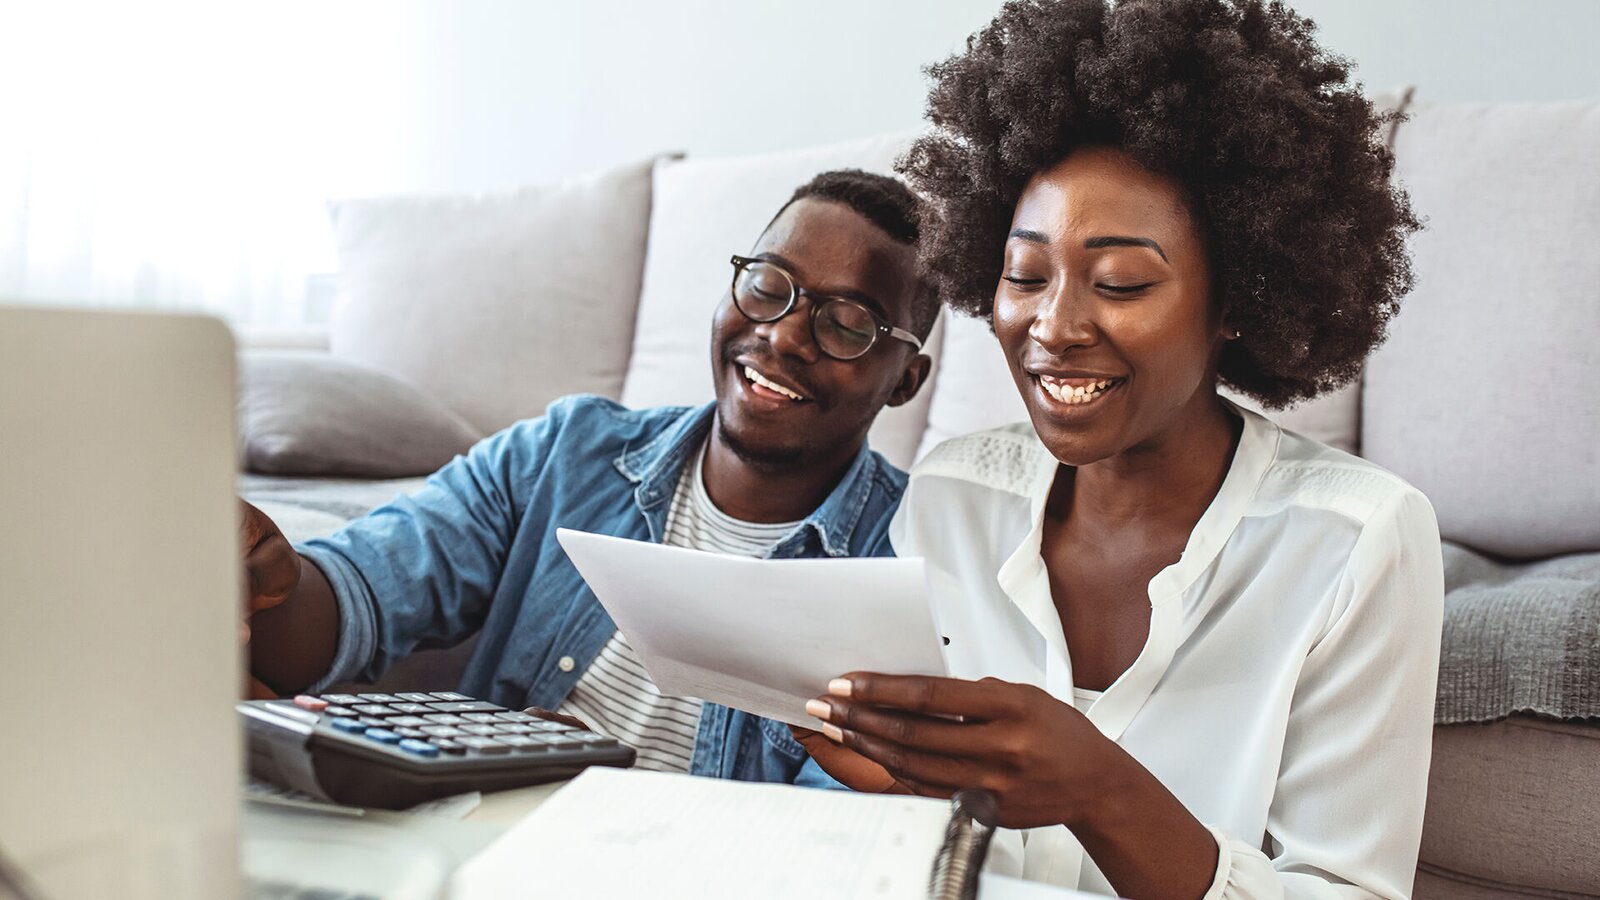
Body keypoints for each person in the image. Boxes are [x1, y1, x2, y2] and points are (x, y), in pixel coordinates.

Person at [797, 2, 1443, 897]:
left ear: (1238, 299)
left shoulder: (1358, 540)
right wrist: (896, 772)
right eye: (1025, 276)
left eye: (1121, 282)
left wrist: (1100, 790)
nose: (1052, 327)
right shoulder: (953, 493)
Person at [242, 168, 938, 785]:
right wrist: (269, 582)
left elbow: (851, 832)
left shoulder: (914, 562)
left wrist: (598, 787)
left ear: (905, 379)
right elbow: (360, 593)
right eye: (767, 286)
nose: (783, 335)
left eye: (847, 324)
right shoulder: (563, 454)